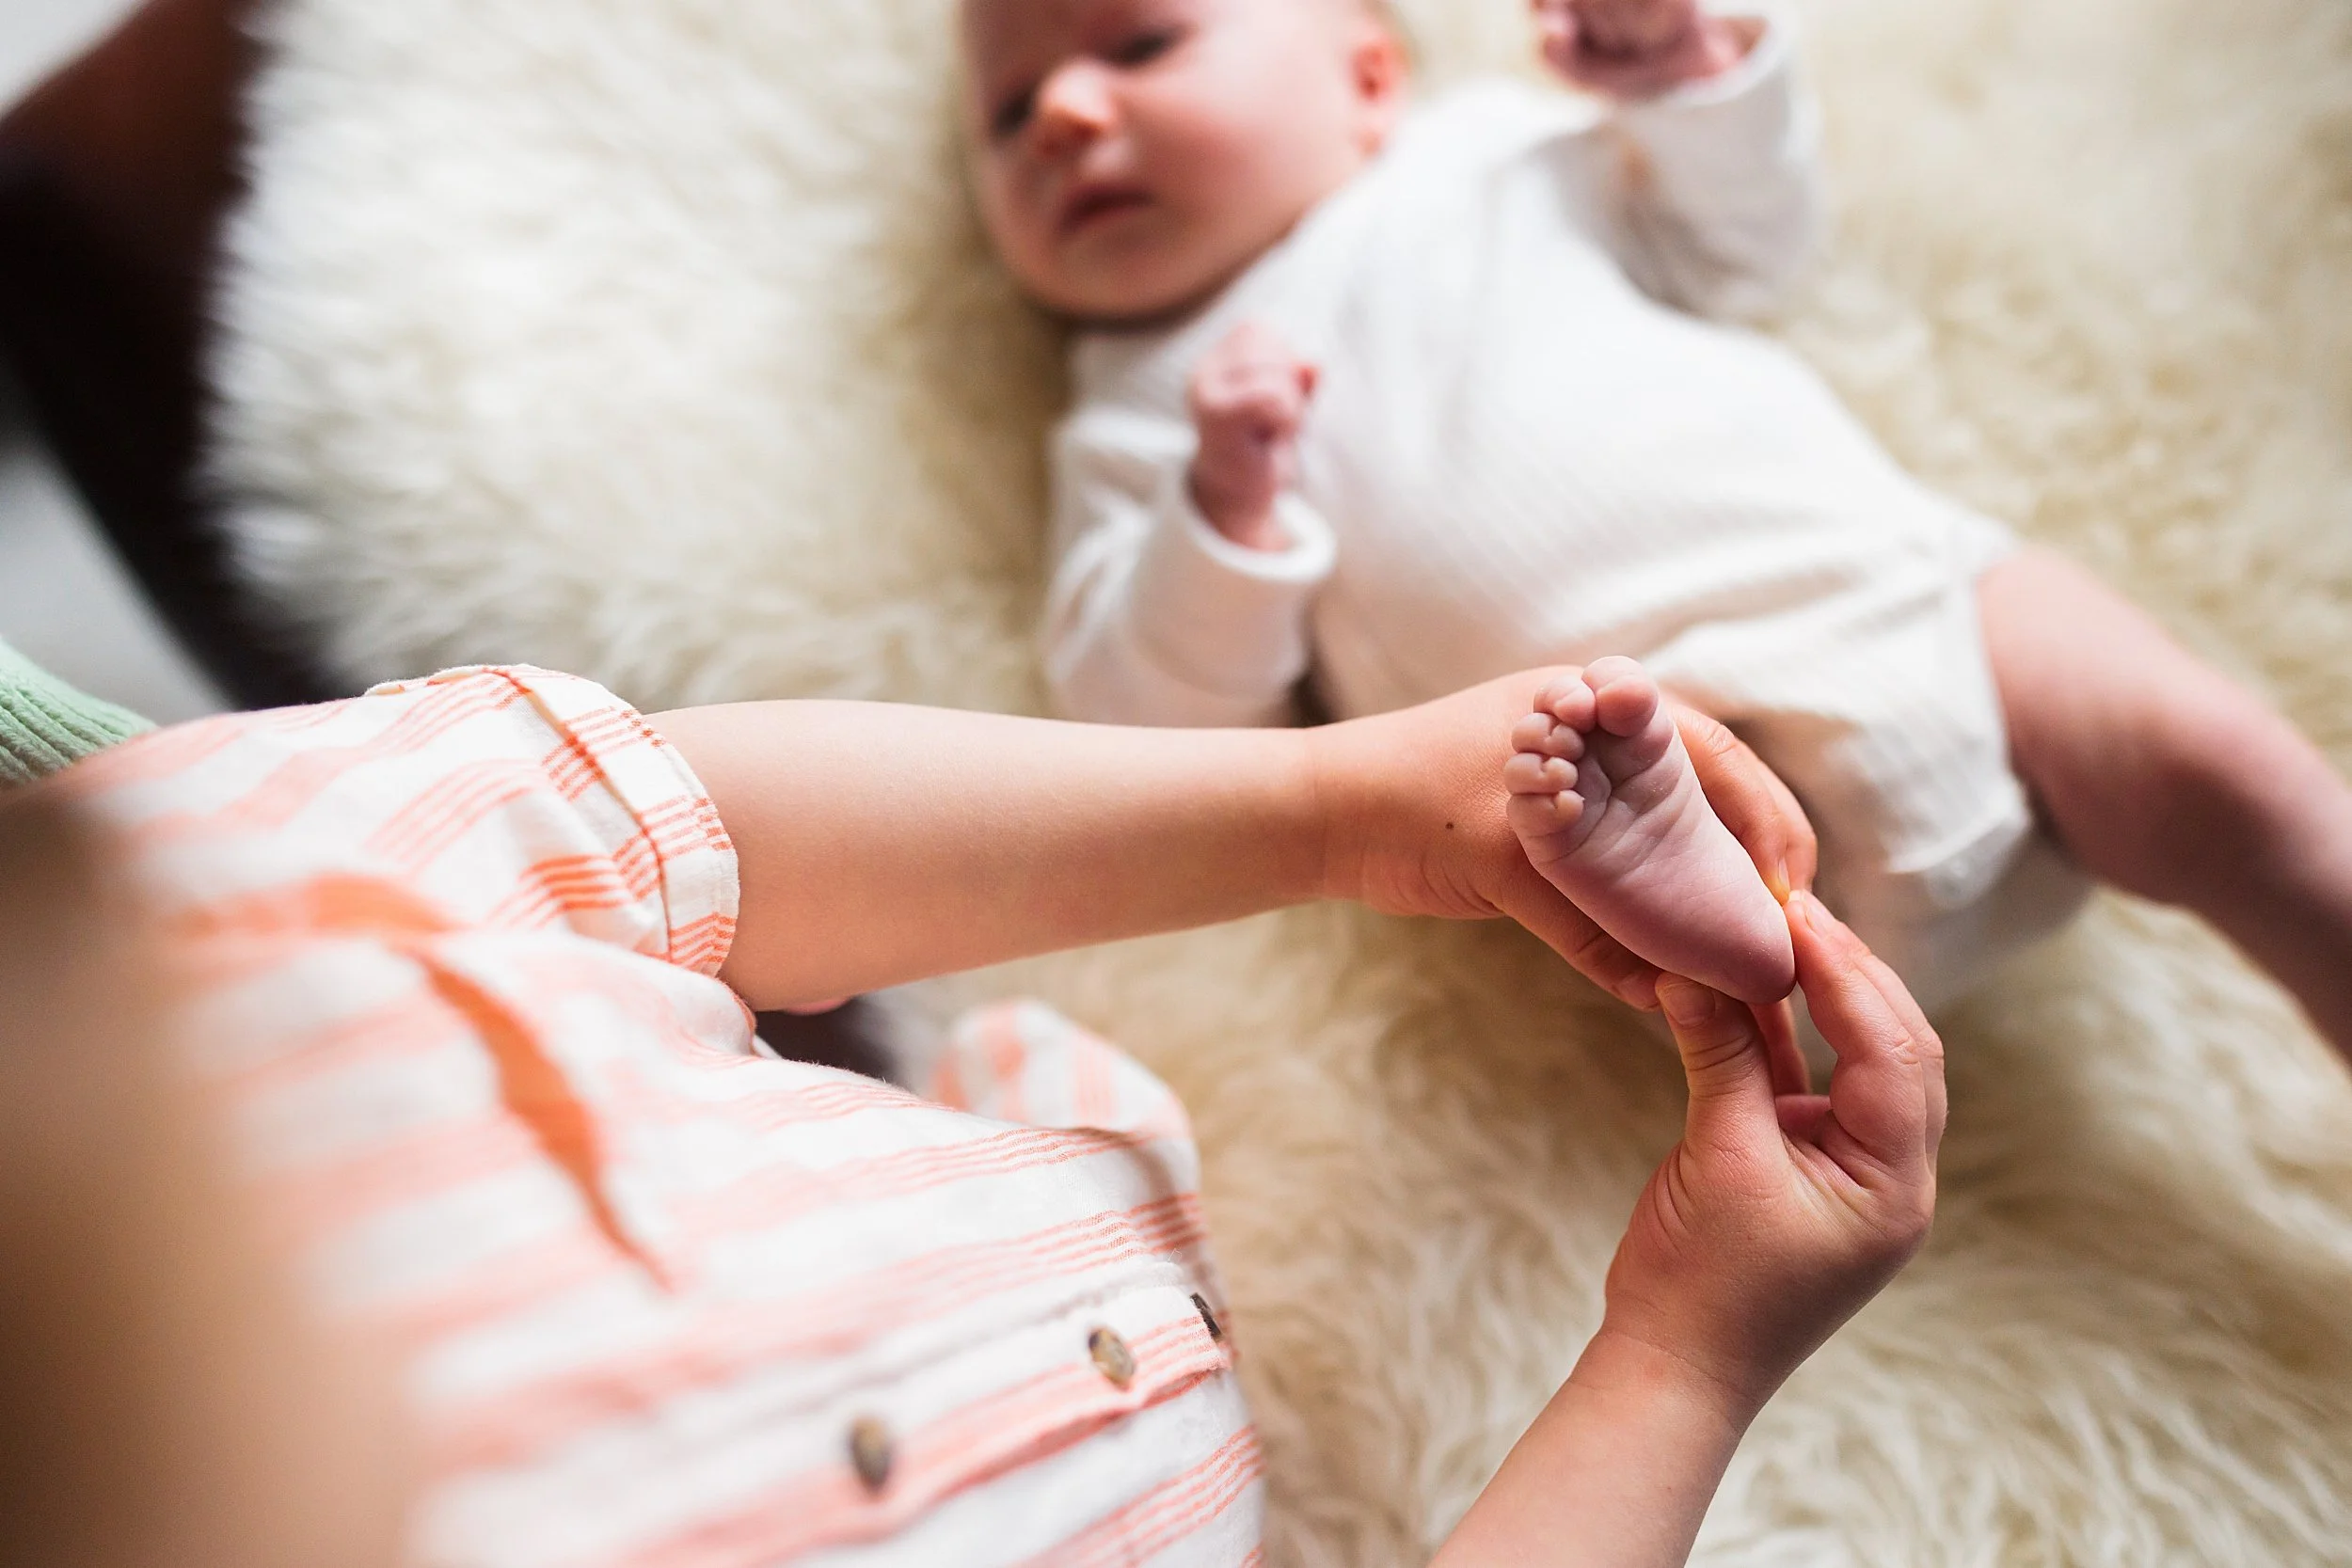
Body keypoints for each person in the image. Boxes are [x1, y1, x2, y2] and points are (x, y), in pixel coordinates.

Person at [1, 658, 1940, 1565]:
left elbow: (678, 842)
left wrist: (1349, 801)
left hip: (978, 1142)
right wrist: (1675, 1353)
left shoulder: (169, 907)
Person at [965, 0, 2352, 1050]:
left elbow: (1747, 236)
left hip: (1892, 590)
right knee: (1630, 819)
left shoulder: (1501, 157)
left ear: (1369, 77)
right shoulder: (1140, 415)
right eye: (1009, 113)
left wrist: (1687, 69)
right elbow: (1152, 724)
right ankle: (1745, 950)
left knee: (2227, 773)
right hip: (1662, 755)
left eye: (1140, 43)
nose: (1068, 117)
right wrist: (1222, 510)